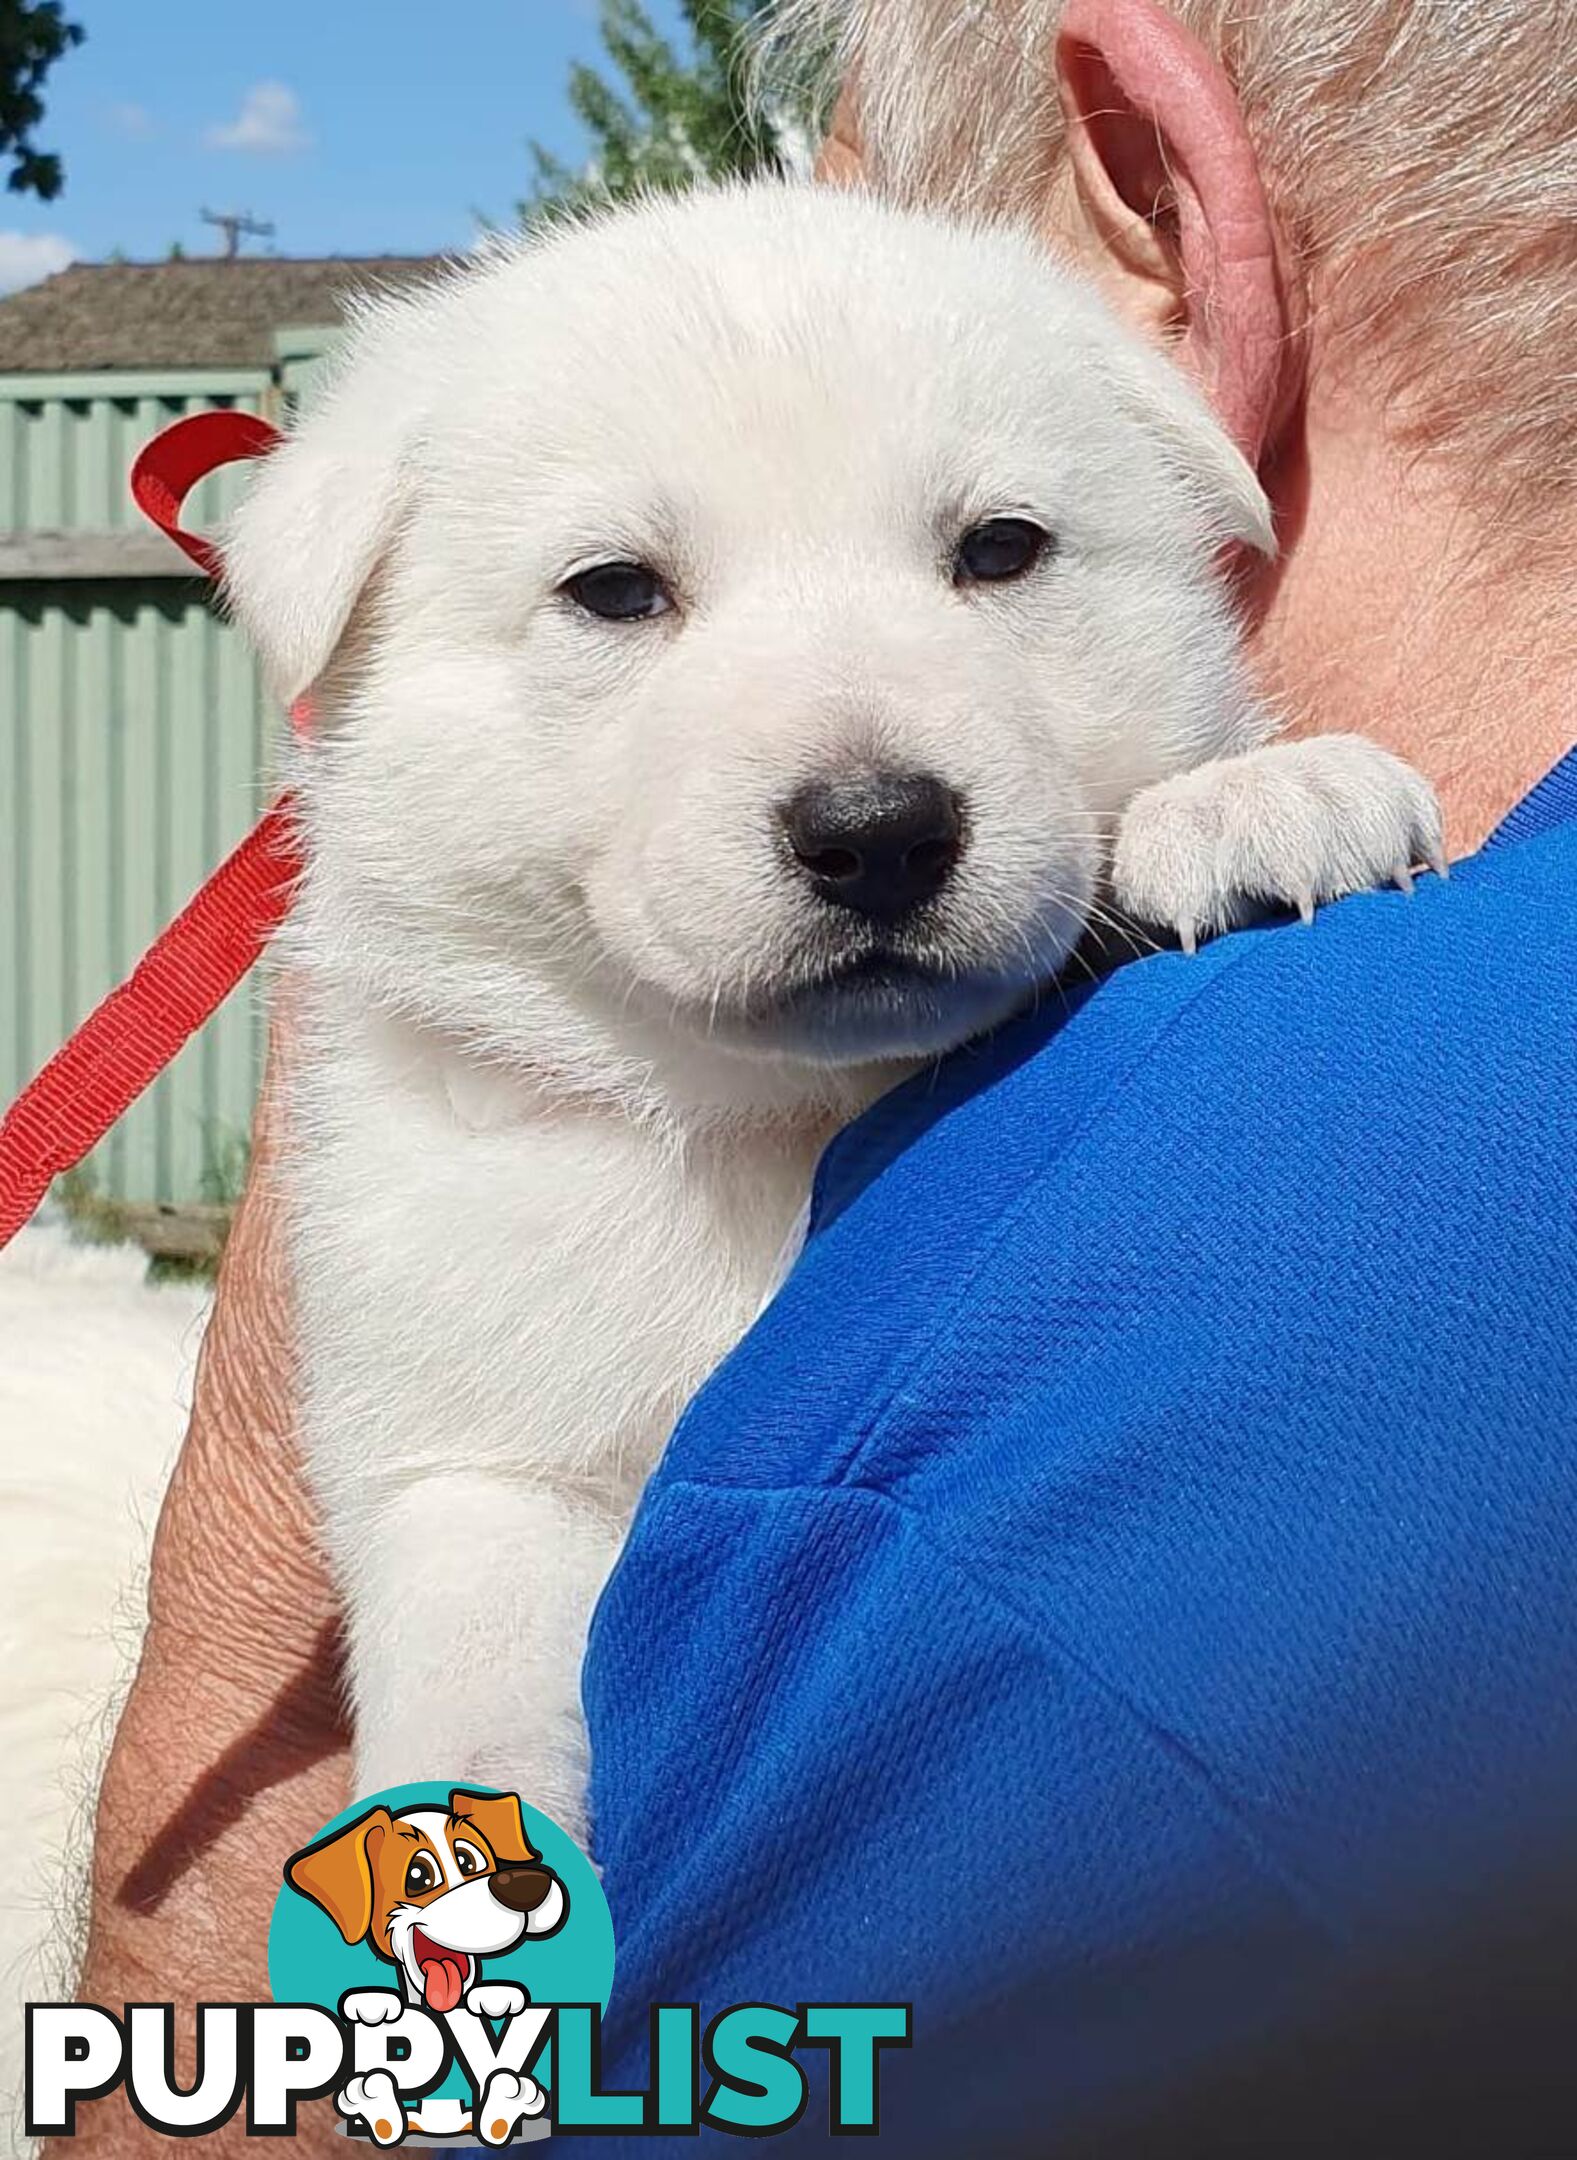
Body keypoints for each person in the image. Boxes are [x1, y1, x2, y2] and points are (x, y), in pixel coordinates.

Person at [56, 0, 1577, 2150]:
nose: (864, 778)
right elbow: (482, 1492)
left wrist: (1183, 834)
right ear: (353, 649)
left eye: (999, 552)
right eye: (618, 588)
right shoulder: (435, 1166)